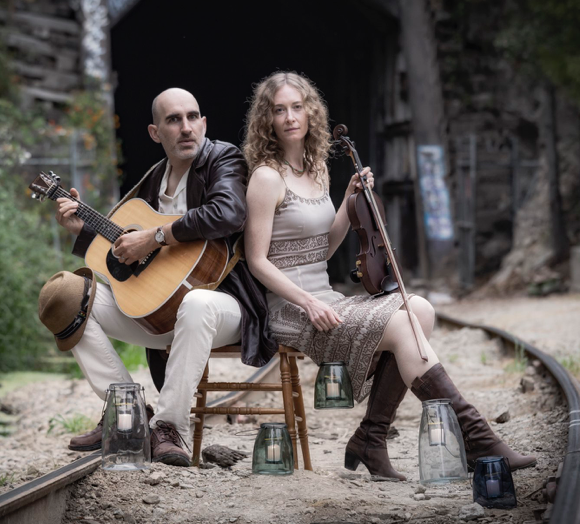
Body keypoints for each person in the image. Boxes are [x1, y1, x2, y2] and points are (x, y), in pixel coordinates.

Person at [242, 71, 535, 480]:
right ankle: (479, 440)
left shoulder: (318, 169)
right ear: (267, 120)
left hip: (326, 298)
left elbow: (321, 251)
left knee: (421, 310)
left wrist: (346, 202)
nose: (290, 117)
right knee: (404, 324)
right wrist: (306, 302)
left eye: (297, 107)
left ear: (310, 113)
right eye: (279, 110)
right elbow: (257, 260)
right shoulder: (266, 177)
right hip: (292, 311)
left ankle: (371, 437)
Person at [53, 88, 277, 467]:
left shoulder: (224, 158)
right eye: (174, 120)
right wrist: (81, 230)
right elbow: (123, 241)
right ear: (156, 133)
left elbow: (228, 213)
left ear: (204, 123)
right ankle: (128, 410)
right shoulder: (153, 179)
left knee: (196, 302)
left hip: (224, 304)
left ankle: (169, 428)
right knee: (64, 296)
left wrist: (156, 237)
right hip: (162, 309)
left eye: (193, 117)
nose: (186, 127)